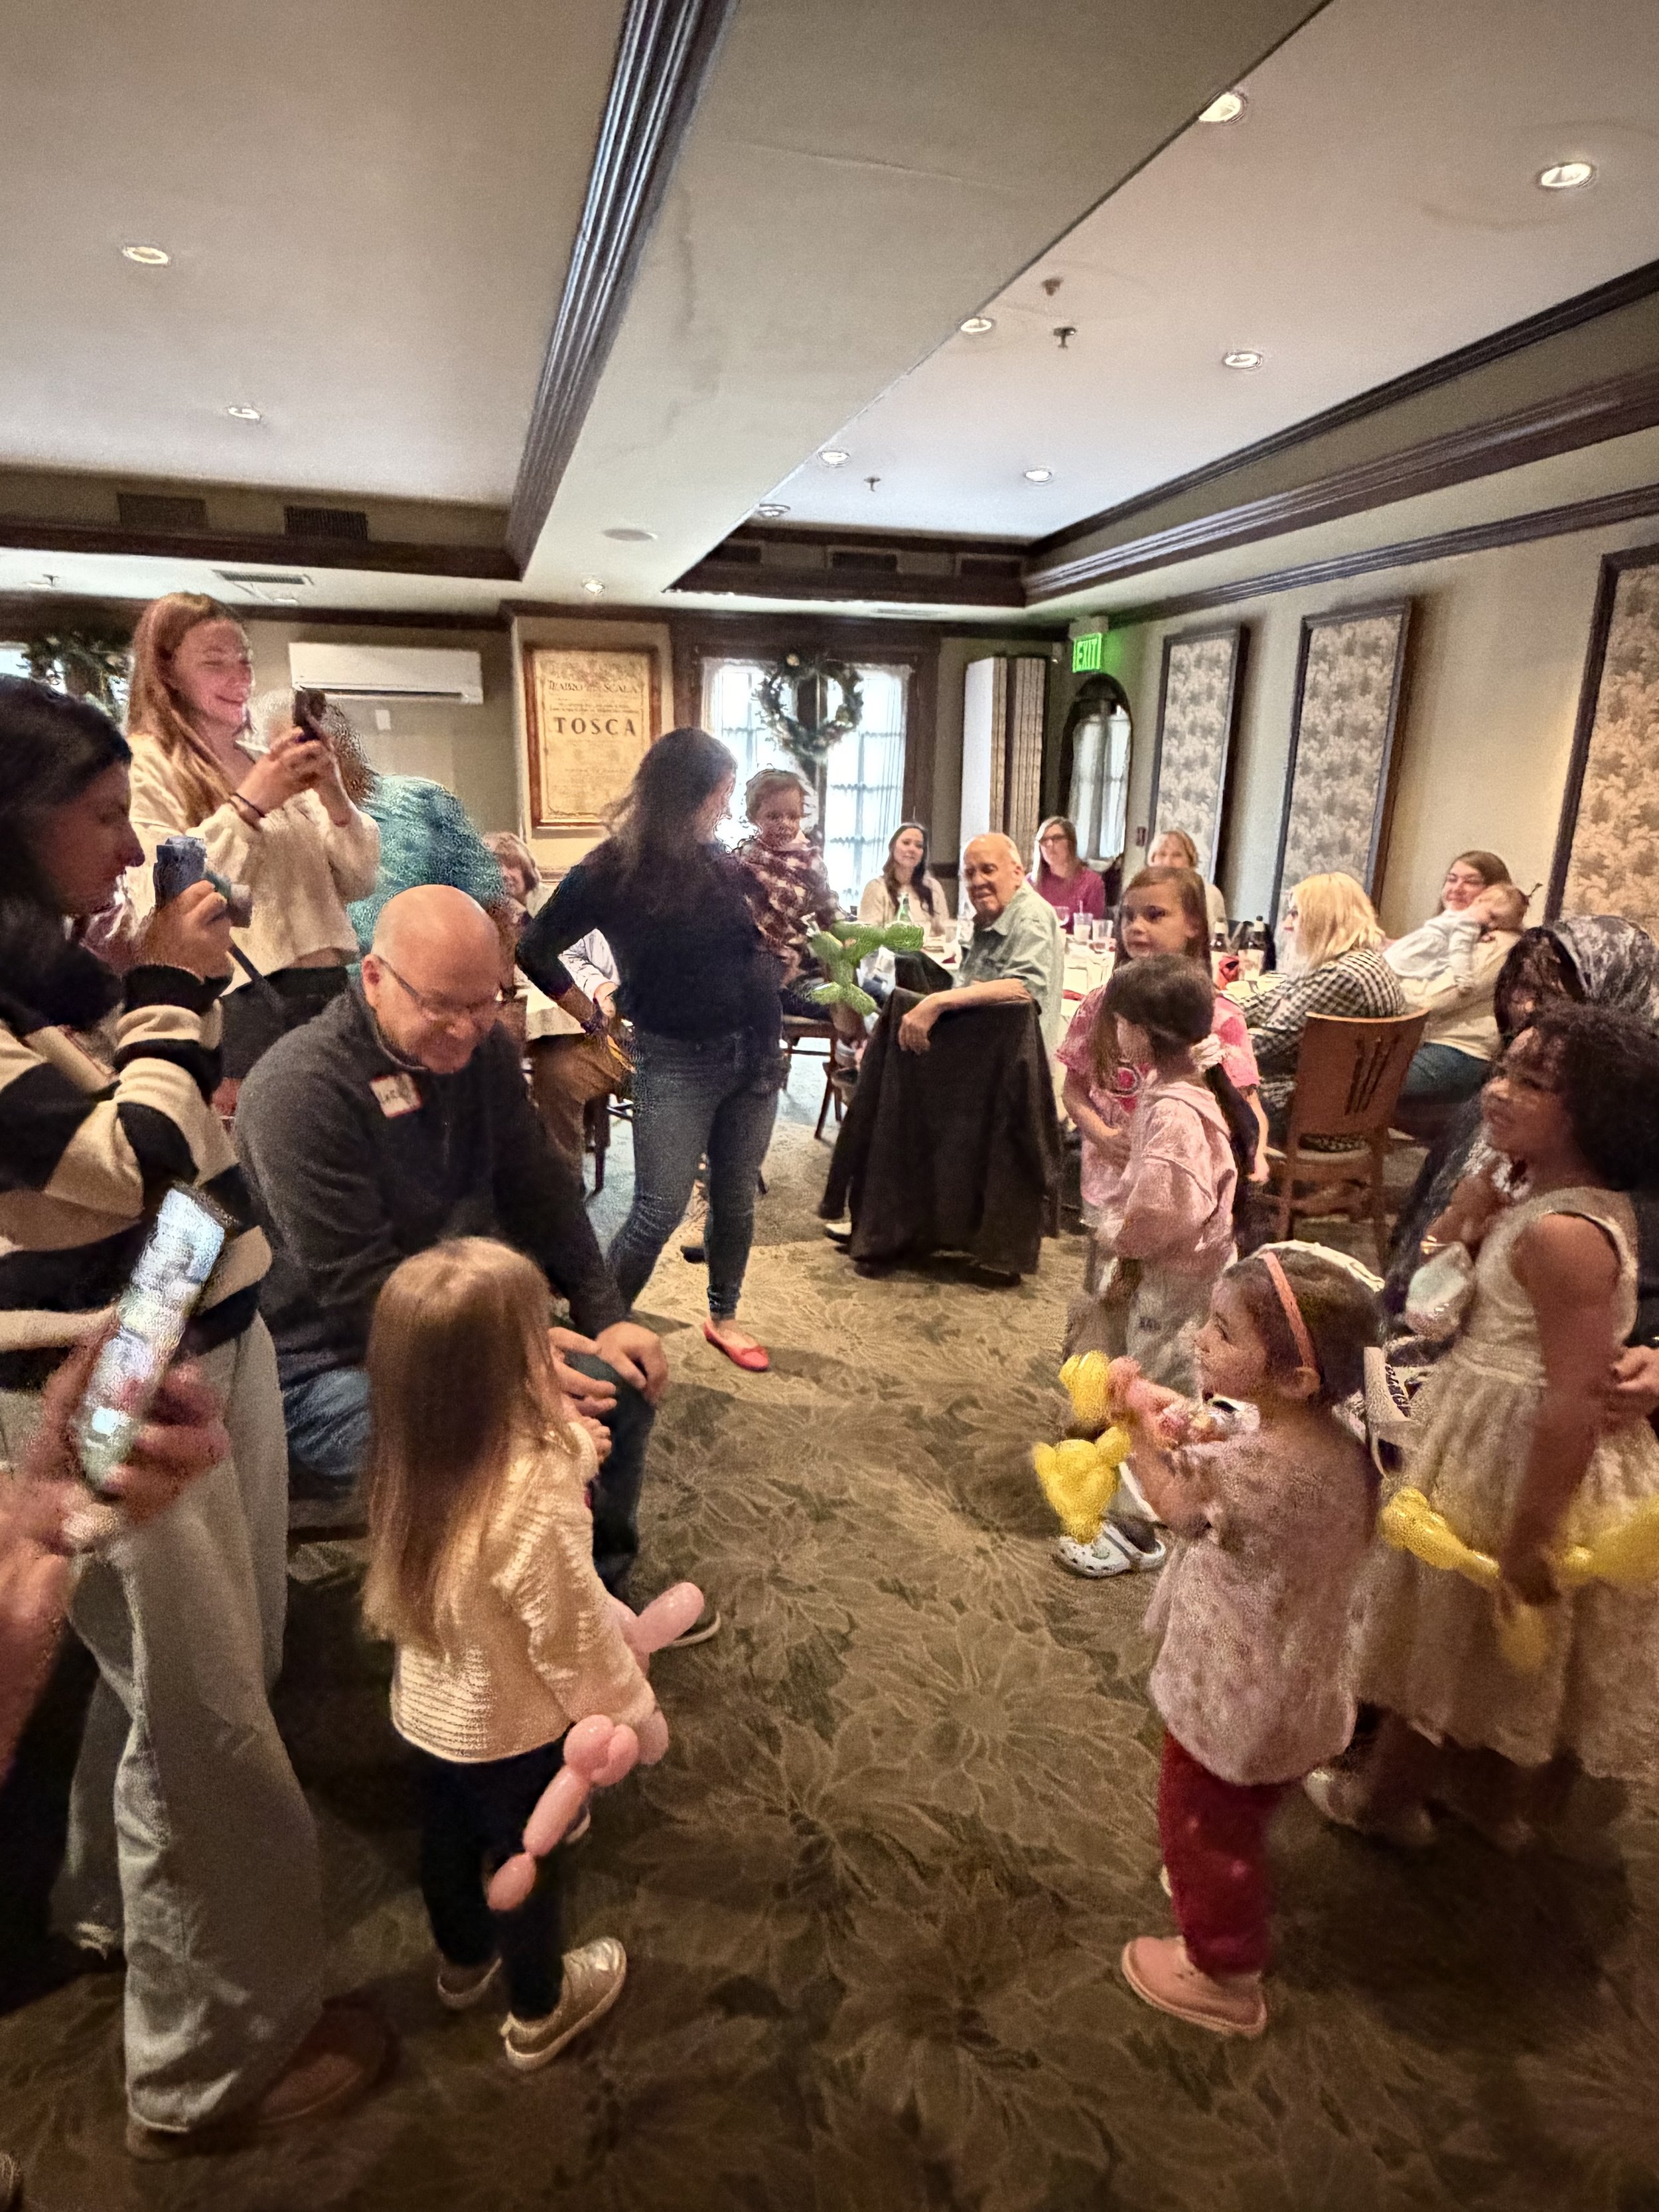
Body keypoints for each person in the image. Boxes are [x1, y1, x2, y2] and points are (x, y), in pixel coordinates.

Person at [0, 676, 386, 2156]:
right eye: (96, 818)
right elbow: (143, 1145)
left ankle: (111, 1909)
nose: (121, 844)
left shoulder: (43, 958)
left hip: (166, 1312)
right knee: (202, 1706)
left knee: (182, 1667)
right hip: (94, 1363)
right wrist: (162, 986)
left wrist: (137, 984)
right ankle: (206, 2064)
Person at [234, 887, 684, 1623]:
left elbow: (542, 1190)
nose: (467, 1029)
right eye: (442, 1005)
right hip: (324, 1367)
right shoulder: (301, 1092)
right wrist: (515, 1362)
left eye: (485, 1003)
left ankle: (596, 1602)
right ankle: (509, 1647)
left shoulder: (482, 1056)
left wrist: (606, 1315)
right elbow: (361, 1293)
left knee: (619, 1383)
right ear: (373, 977)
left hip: (462, 1324)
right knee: (528, 1454)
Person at [1311, 1003, 1659, 1854]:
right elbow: (1431, 1307)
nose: (1496, 1092)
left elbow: (1573, 1397)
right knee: (1474, 1634)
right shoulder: (1525, 1194)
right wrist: (1463, 1219)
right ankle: (1484, 1799)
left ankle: (1390, 1800)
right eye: (1502, 1069)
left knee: (1456, 1628)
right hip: (1482, 1423)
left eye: (1531, 1085)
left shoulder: (1564, 1234)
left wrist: (1536, 1527)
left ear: (1596, 1117)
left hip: (1519, 1450)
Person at [361, 1239, 659, 2069]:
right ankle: (539, 2005)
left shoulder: (406, 1453)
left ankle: (462, 1961)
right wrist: (631, 1708)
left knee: (445, 1841)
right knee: (529, 1861)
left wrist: (567, 1456)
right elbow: (569, 1635)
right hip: (514, 1730)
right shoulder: (533, 1497)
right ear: (507, 1368)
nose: (555, 1344)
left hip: (426, 1712)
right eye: (540, 1336)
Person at [1118, 1247, 1381, 2036]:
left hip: (1239, 1688)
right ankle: (1219, 1883)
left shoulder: (1260, 1473)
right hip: (1302, 1673)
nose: (1199, 1340)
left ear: (1298, 1378)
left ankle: (1223, 1972)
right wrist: (1193, 1416)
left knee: (1199, 1816)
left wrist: (1132, 1426)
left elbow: (1178, 1504)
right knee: (1245, 1805)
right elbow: (1240, 1442)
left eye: (1223, 1333)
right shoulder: (1336, 1445)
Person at [519, 729, 784, 1374]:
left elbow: (746, 951)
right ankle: (596, 1330)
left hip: (752, 1051)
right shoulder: (612, 869)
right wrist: (584, 1005)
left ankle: (724, 1316)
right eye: (720, 792)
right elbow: (533, 945)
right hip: (675, 1059)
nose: (725, 805)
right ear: (685, 792)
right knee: (658, 1209)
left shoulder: (720, 862)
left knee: (734, 1200)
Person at [121, 594, 380, 1078]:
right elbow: (166, 896)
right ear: (168, 671)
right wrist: (250, 805)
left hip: (330, 991)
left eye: (244, 661)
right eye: (215, 663)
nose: (239, 677)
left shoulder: (262, 758)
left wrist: (334, 794)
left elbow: (359, 880)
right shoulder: (144, 764)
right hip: (245, 1001)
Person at [1056, 957, 1242, 1582]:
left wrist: (1118, 1234)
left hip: (1173, 1275)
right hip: (1191, 1270)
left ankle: (1141, 1526)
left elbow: (1164, 1207)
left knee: (1150, 1394)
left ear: (1138, 1032)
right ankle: (1160, 1508)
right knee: (1167, 1381)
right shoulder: (1187, 1091)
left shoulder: (1172, 1112)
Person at [1059, 866, 1267, 1287]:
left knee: (1165, 1298)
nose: (1136, 928)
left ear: (1193, 924)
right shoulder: (1102, 1006)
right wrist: (1101, 1134)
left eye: (1155, 915)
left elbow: (1245, 1105)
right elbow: (1074, 1089)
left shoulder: (1221, 1014)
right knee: (1105, 1286)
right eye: (1128, 916)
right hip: (1112, 1184)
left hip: (1186, 1195)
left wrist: (1256, 1153)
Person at [483, 834, 624, 1171]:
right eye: (493, 866)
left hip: (580, 1016)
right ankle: (510, 1154)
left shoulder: (556, 905)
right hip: (523, 1011)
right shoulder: (485, 912)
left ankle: (564, 1168)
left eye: (511, 863)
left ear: (527, 867)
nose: (503, 873)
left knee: (555, 1070)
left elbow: (593, 969)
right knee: (493, 1056)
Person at [1244, 872, 1406, 1140]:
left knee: (1205, 1080)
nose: (1286, 924)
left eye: (1295, 914)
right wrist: (1220, 1009)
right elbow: (1272, 998)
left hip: (1321, 1124)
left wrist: (1208, 1037)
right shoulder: (1358, 962)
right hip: (1344, 1112)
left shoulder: (1342, 977)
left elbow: (1266, 1047)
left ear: (1324, 918)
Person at [898, 834, 1065, 1058]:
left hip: (1007, 1068)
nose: (977, 881)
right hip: (979, 1049)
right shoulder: (993, 913)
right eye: (970, 873)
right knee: (897, 1017)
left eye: (988, 870)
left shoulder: (1031, 915)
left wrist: (938, 1002)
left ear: (1017, 873)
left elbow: (1026, 988)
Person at [1386, 861, 1527, 1106]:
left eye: (1471, 882)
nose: (1457, 888)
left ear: (1494, 892)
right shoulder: (1455, 933)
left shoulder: (1500, 945)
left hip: (1457, 1054)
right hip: (1424, 1043)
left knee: (1344, 1081)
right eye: (1452, 879)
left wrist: (1381, 981)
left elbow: (1431, 1001)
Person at [733, 767, 841, 1020]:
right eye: (773, 816)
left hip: (804, 964)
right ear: (753, 817)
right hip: (765, 976)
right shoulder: (743, 861)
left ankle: (863, 1049)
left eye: (793, 816)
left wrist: (846, 934)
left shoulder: (809, 862)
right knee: (842, 1005)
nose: (785, 823)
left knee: (874, 995)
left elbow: (830, 909)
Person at [857, 821, 954, 952]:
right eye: (906, 843)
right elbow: (867, 939)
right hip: (892, 964)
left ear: (923, 853)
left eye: (919, 846)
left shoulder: (933, 887)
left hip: (930, 961)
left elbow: (945, 931)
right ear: (893, 847)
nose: (912, 849)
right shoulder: (876, 888)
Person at [1148, 828, 1227, 938]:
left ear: (1191, 861)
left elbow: (1215, 944)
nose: (1168, 862)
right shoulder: (1143, 894)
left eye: (1177, 855)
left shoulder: (1208, 894)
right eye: (1162, 854)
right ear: (1152, 861)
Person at [1031, 815, 1107, 929]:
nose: (1050, 845)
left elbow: (1093, 928)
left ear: (1070, 843)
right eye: (1044, 840)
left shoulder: (1091, 883)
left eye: (1056, 838)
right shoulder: (1030, 883)